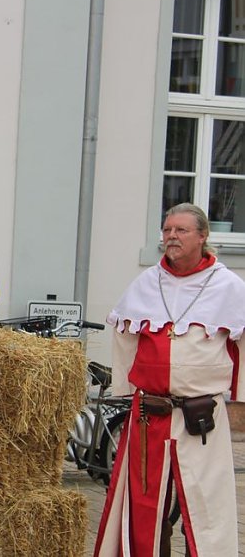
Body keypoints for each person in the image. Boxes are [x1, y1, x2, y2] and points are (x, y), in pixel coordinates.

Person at [94, 203, 245, 556]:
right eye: (166, 230)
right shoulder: (148, 282)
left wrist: (239, 397)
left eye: (181, 230)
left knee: (206, 505)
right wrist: (125, 390)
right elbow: (126, 335)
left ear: (203, 236)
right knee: (147, 505)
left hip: (201, 416)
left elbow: (241, 344)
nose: (171, 237)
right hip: (151, 414)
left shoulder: (227, 285)